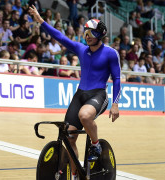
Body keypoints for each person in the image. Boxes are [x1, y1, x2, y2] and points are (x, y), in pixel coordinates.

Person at [29, 6, 121, 180]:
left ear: (100, 35)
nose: (87, 36)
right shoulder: (81, 49)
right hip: (80, 95)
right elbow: (60, 37)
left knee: (85, 116)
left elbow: (116, 79)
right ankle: (77, 175)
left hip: (98, 95)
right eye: (86, 32)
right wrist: (40, 20)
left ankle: (96, 145)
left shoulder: (111, 53)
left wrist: (115, 104)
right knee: (69, 138)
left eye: (91, 33)